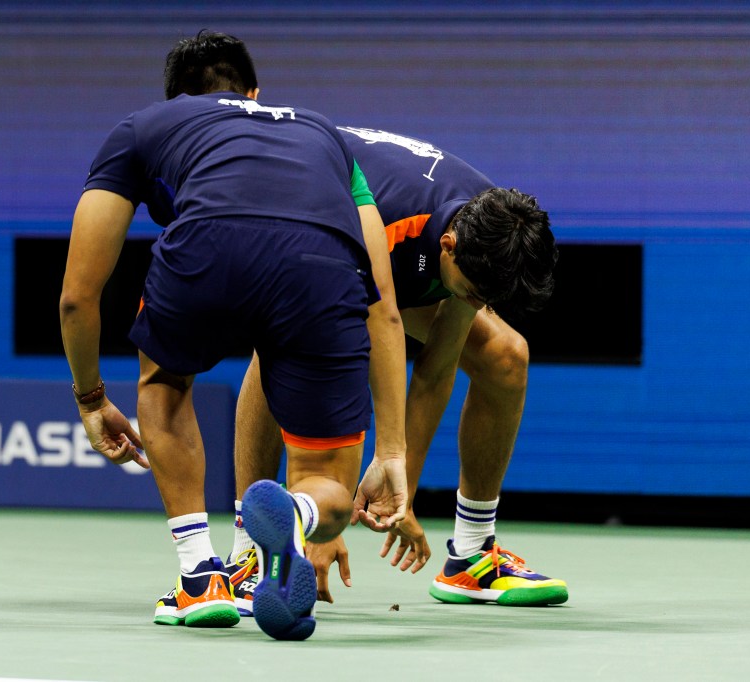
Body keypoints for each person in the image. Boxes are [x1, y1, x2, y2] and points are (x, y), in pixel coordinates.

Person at [59, 32, 408, 642]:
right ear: (254, 94)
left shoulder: (146, 126)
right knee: (327, 476)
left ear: (176, 100)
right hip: (322, 270)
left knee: (165, 384)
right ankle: (298, 515)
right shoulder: (323, 133)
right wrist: (395, 453)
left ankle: (200, 578)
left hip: (209, 247)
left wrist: (90, 399)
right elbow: (384, 306)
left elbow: (76, 296)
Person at [227, 126, 567, 611]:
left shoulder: (490, 230)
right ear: (448, 244)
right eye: (474, 294)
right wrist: (329, 518)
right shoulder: (390, 228)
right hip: (304, 215)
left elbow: (435, 369)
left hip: (401, 254)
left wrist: (398, 495)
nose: (480, 304)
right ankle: (250, 552)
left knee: (505, 356)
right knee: (283, 343)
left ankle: (473, 555)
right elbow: (351, 363)